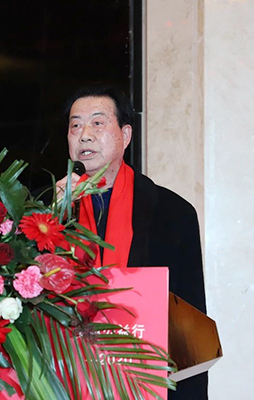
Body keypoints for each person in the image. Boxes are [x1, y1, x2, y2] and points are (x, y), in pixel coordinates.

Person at [56, 86, 208, 400]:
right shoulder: (45, 212)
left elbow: (190, 327)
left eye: (98, 123)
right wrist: (51, 214)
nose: (85, 135)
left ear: (125, 135)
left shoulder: (171, 213)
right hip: (65, 381)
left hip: (146, 383)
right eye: (75, 125)